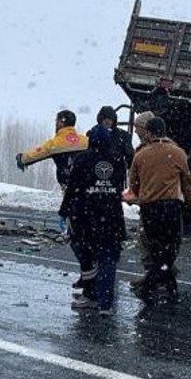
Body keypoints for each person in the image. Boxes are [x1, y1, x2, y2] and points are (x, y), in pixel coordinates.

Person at [128, 117, 191, 305]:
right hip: (170, 207)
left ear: (149, 133)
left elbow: (134, 186)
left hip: (149, 209)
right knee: (169, 249)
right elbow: (186, 184)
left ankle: (166, 287)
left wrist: (144, 192)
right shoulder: (178, 153)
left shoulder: (141, 155)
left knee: (156, 249)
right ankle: (156, 286)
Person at [59, 124, 127, 315]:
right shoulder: (117, 159)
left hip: (86, 217)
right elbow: (120, 186)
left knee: (87, 255)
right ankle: (105, 303)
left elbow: (72, 188)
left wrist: (64, 211)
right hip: (112, 216)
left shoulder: (82, 159)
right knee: (108, 259)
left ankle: (90, 294)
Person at [16, 109, 88, 233]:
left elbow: (36, 153)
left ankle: (76, 234)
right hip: (87, 182)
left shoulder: (55, 143)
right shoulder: (85, 141)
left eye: (57, 121)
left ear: (61, 123)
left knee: (72, 209)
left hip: (68, 182)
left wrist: (22, 158)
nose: (55, 123)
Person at [124, 111, 155, 290]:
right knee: (150, 239)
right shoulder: (147, 148)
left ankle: (155, 275)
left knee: (149, 239)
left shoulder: (150, 150)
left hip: (152, 201)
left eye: (138, 128)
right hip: (150, 200)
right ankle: (157, 274)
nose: (135, 131)